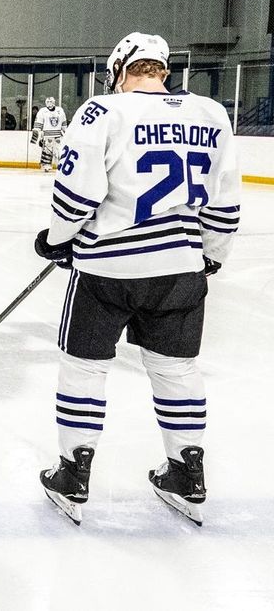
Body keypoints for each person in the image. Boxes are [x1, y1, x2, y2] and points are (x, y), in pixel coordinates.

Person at [34, 33, 240, 527]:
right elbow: (225, 202)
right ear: (163, 70)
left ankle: (74, 472)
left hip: (108, 271)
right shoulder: (211, 113)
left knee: (84, 369)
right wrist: (210, 256)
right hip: (179, 271)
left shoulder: (102, 111)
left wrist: (58, 239)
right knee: (177, 372)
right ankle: (187, 471)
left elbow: (77, 196)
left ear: (119, 70)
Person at [31, 96, 68, 173]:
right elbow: (38, 125)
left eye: (51, 102)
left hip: (58, 135)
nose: (49, 103)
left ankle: (60, 165)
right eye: (48, 102)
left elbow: (64, 124)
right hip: (47, 135)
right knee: (47, 151)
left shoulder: (60, 110)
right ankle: (46, 165)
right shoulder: (42, 111)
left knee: (59, 150)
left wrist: (66, 134)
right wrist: (35, 137)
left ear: (54, 102)